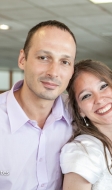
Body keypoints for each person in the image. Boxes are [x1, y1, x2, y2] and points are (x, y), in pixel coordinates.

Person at [0, 20, 76, 189]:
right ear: (22, 59)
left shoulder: (80, 112)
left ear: (72, 70)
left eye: (64, 62)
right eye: (43, 57)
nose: (53, 72)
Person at [60, 59, 112, 190]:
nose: (99, 100)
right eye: (86, 96)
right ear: (80, 110)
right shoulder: (83, 151)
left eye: (103, 86)